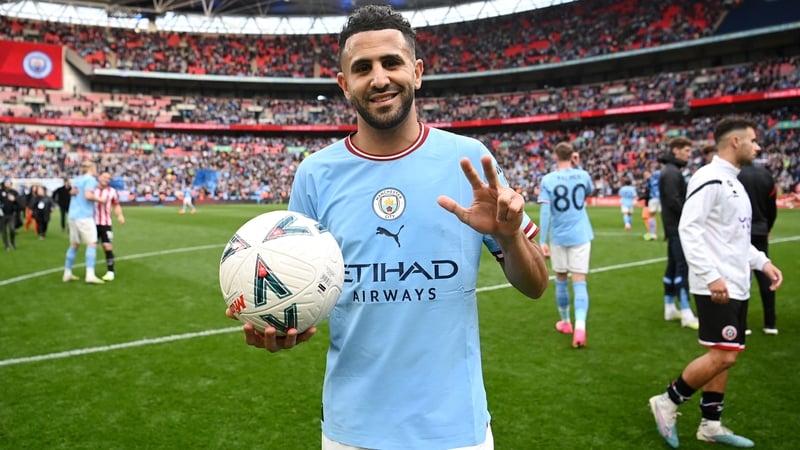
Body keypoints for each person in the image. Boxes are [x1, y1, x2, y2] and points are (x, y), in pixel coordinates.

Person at [225, 6, 549, 449]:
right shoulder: (315, 175)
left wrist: (509, 236)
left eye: (391, 63)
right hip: (352, 431)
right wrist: (280, 327)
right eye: (362, 68)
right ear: (344, 85)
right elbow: (295, 284)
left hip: (456, 429)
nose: (379, 79)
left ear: (416, 72)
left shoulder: (469, 159)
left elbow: (536, 286)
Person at [649, 117, 783, 449]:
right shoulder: (710, 178)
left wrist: (762, 263)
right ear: (735, 142)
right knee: (724, 355)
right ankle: (666, 402)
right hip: (716, 284)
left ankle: (710, 424)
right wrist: (712, 277)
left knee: (726, 352)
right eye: (753, 140)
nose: (758, 146)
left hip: (736, 282)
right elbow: (688, 229)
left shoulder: (734, 183)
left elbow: (735, 238)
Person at [537, 142, 594, 348]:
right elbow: (589, 190)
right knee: (580, 282)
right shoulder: (583, 175)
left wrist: (543, 240)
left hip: (559, 236)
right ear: (573, 156)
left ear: (555, 155)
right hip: (581, 235)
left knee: (561, 280)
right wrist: (577, 167)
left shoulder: (548, 179)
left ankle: (566, 322)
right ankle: (580, 327)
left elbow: (545, 212)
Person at [657, 137, 699, 330]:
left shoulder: (670, 171)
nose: (688, 155)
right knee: (682, 267)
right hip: (678, 227)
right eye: (686, 151)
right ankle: (686, 312)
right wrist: (691, 217)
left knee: (673, 266)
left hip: (673, 226)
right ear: (676, 150)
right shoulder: (672, 173)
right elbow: (674, 200)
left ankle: (669, 307)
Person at [737, 162, 778, 335]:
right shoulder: (766, 175)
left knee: (741, 275)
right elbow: (772, 207)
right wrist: (767, 227)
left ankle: (742, 323)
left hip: (741, 229)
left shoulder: (736, 176)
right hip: (760, 228)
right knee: (764, 274)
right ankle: (770, 323)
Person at [62, 160, 106, 284]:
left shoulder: (77, 179)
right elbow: (88, 195)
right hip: (84, 216)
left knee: (74, 244)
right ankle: (90, 274)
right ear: (91, 168)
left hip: (72, 215)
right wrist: (100, 199)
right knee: (92, 243)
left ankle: (67, 272)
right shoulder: (89, 180)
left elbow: (72, 192)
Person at [94, 172, 125, 281]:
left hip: (106, 224)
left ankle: (110, 271)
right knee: (92, 247)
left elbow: (116, 204)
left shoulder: (112, 192)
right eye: (104, 177)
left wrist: (120, 215)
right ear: (99, 177)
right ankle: (91, 271)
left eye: (108, 178)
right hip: (92, 223)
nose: (106, 180)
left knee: (107, 247)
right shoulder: (92, 189)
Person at [1, 178, 21, 251]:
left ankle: (12, 242)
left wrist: (14, 200)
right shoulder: (1, 192)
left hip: (11, 214)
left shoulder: (14, 192)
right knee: (3, 231)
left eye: (9, 182)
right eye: (6, 182)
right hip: (2, 215)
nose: (7, 183)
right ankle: (6, 245)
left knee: (12, 229)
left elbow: (20, 203)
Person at [639, 171, 658, 240]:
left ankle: (652, 233)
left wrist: (641, 197)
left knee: (649, 216)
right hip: (649, 201)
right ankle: (651, 232)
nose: (646, 175)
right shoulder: (649, 181)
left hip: (651, 201)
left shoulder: (651, 181)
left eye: (647, 174)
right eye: (644, 174)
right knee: (647, 216)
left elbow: (649, 192)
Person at [646, 163, 661, 240]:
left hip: (653, 198)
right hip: (662, 198)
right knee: (665, 216)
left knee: (651, 215)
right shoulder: (663, 175)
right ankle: (668, 234)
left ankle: (652, 234)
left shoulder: (652, 179)